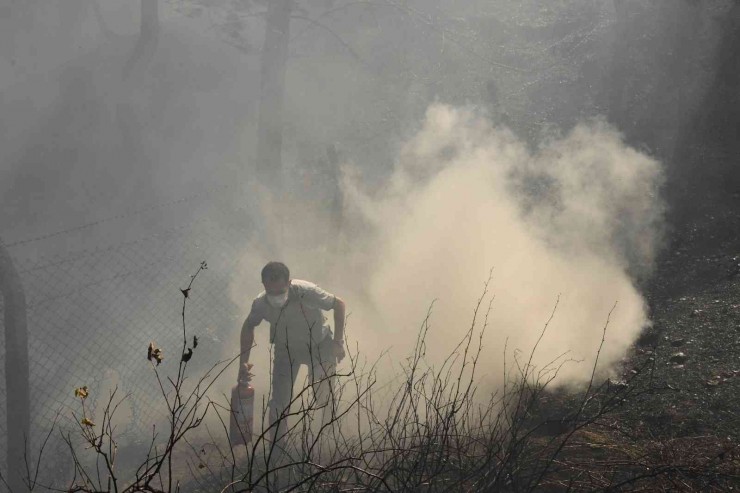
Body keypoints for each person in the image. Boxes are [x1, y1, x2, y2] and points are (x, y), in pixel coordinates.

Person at [238, 261, 346, 446]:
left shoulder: (307, 291)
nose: (275, 297)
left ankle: (329, 444)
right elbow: (249, 326)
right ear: (264, 285)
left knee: (324, 396)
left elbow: (339, 304)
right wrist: (244, 362)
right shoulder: (261, 303)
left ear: (288, 283)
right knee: (279, 402)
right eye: (271, 292)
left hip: (320, 346)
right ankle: (277, 450)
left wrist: (338, 342)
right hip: (286, 351)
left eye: (280, 292)